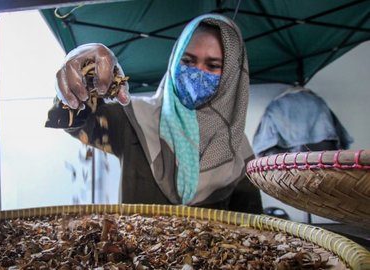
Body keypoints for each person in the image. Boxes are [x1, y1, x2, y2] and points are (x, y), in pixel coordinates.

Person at [45, 13, 262, 214]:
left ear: (231, 76)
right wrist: (85, 72)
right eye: (187, 61)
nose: (197, 73)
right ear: (174, 60)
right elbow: (77, 121)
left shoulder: (237, 148)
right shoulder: (137, 119)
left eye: (213, 65)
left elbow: (252, 229)